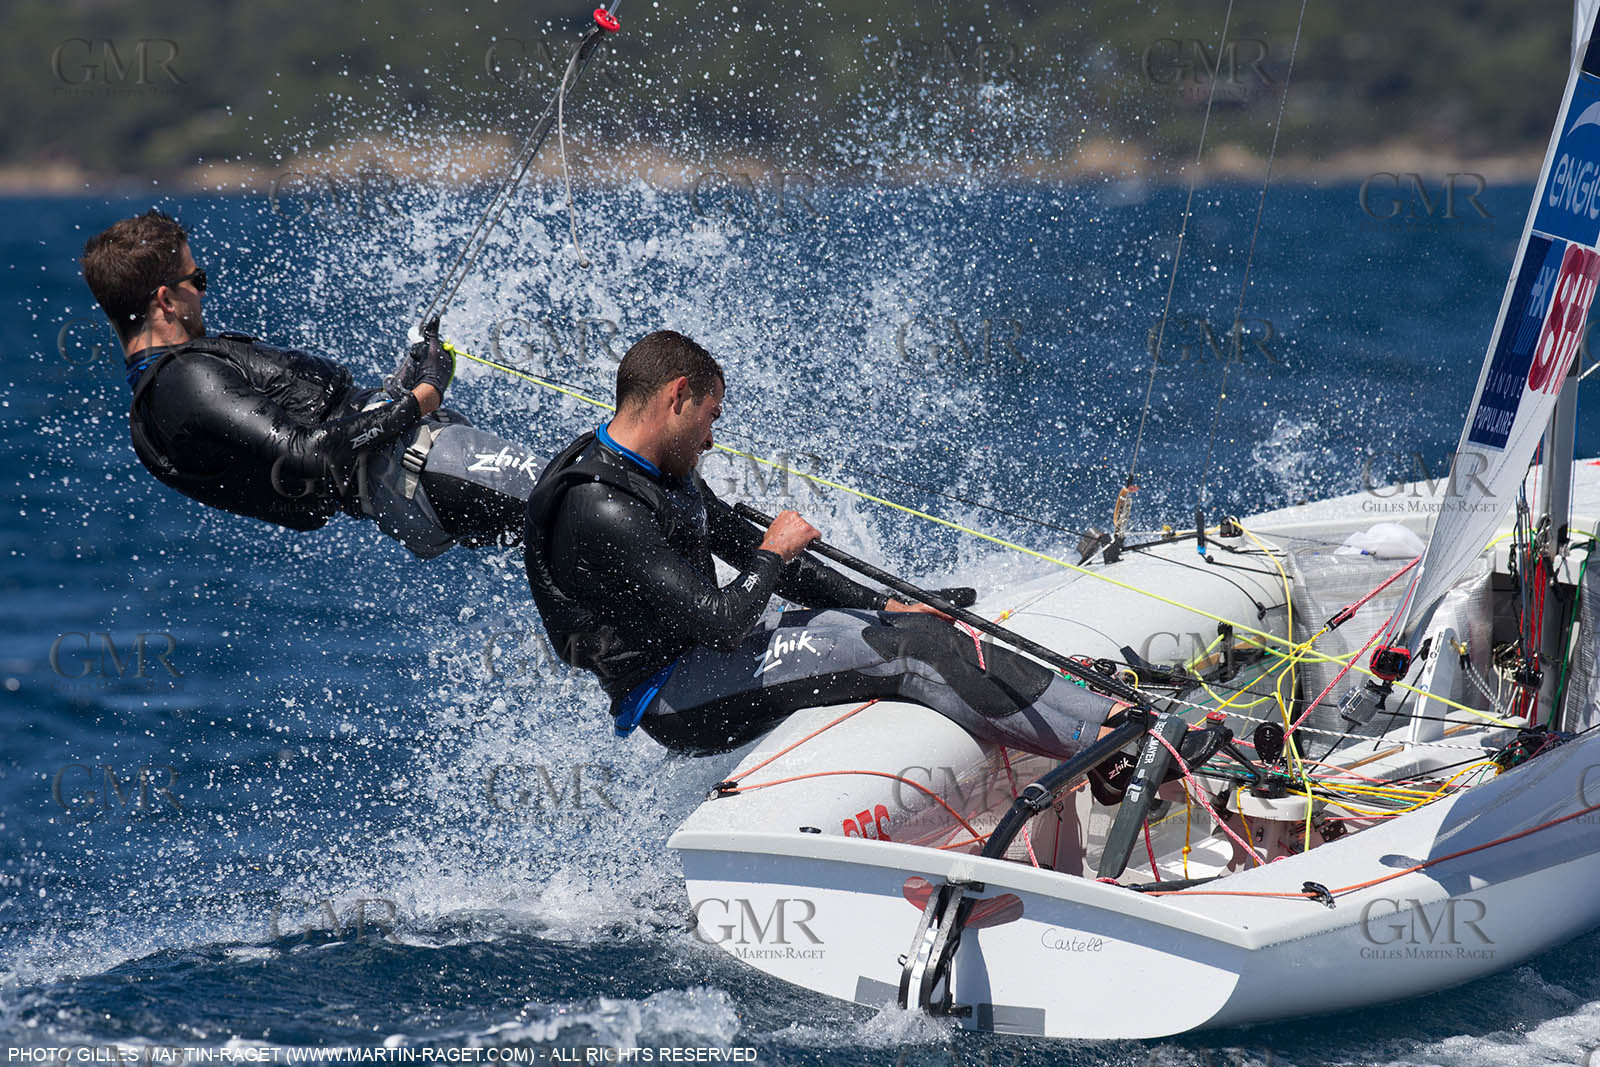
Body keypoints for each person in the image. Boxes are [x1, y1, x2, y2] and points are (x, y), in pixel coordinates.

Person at [523, 329, 1129, 757]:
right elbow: (724, 623)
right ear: (677, 396)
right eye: (711, 415)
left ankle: (1116, 718)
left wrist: (881, 602)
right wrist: (775, 550)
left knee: (923, 629)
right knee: (914, 656)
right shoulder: (602, 507)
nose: (711, 437)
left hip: (707, 659)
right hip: (675, 697)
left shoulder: (657, 463)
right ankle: (1106, 753)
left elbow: (739, 543)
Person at [80, 208, 536, 558]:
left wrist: (398, 390)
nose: (203, 290)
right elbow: (311, 454)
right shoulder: (183, 381)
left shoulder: (160, 403)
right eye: (196, 279)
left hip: (411, 483)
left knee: (582, 547)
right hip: (421, 469)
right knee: (579, 502)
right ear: (165, 299)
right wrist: (424, 394)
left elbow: (322, 434)